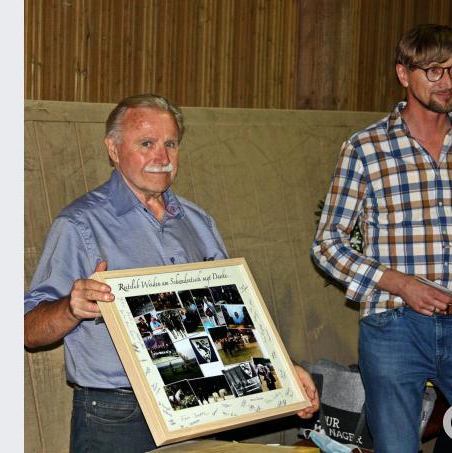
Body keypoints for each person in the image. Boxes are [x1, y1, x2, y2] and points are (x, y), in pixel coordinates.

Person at [25, 93, 319, 452]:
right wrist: (71, 309)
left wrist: (284, 371)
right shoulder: (79, 224)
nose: (162, 158)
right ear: (113, 149)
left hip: (204, 401)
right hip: (118, 413)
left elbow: (233, 317)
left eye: (171, 144)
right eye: (146, 144)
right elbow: (29, 329)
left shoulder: (198, 222)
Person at [311, 24, 452, 453]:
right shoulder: (366, 148)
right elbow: (328, 244)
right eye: (432, 71)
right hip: (394, 325)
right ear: (403, 74)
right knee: (396, 447)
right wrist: (400, 284)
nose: (446, 82)